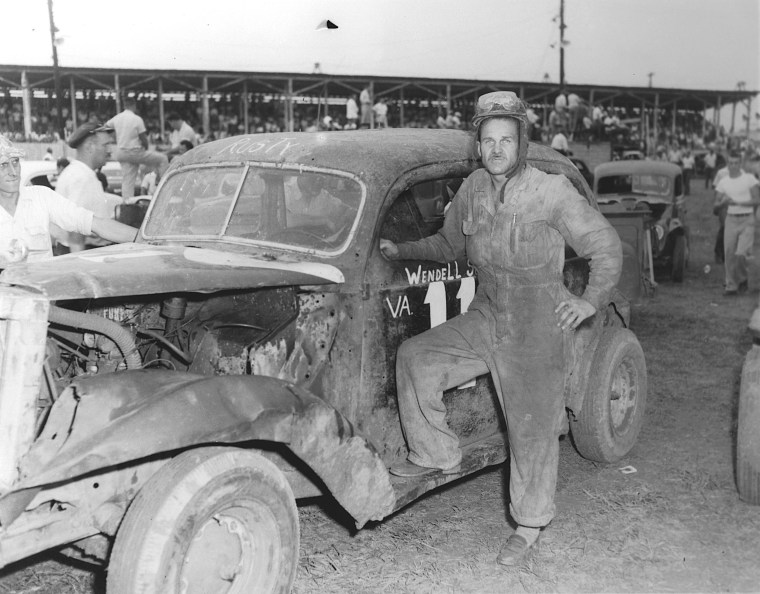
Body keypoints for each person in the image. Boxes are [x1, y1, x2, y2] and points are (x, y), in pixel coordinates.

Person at [379, 91, 622, 566]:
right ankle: (437, 452)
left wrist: (588, 302)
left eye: (505, 140)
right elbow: (449, 244)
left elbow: (606, 246)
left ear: (521, 142)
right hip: (489, 314)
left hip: (536, 327)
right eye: (487, 140)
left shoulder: (550, 191)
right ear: (479, 145)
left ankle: (529, 526)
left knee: (529, 432)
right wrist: (402, 250)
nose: (495, 149)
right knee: (417, 358)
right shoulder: (471, 188)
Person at [0, 134, 137, 263]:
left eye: (15, 162)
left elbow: (94, 223)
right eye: (3, 165)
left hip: (42, 285)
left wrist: (143, 238)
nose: (13, 172)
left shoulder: (41, 197)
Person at [55, 122, 125, 251]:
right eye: (105, 145)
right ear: (90, 147)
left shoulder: (76, 172)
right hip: (82, 252)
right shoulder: (82, 178)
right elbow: (76, 231)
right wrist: (80, 267)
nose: (109, 150)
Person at [714, 152, 760, 295]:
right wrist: (723, 202)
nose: (733, 166)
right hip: (731, 219)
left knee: (741, 253)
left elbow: (757, 200)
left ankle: (742, 279)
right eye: (731, 163)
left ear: (740, 164)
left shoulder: (749, 179)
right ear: (727, 164)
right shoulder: (723, 182)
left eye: (736, 163)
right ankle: (731, 286)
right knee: (729, 254)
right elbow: (715, 206)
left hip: (747, 219)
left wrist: (738, 202)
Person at [106, 96, 168, 199]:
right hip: (134, 152)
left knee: (128, 179)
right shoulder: (137, 119)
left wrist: (113, 137)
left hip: (121, 152)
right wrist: (145, 149)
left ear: (124, 106)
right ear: (134, 105)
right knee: (162, 159)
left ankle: (126, 203)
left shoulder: (117, 118)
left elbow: (105, 127)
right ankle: (165, 192)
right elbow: (143, 139)